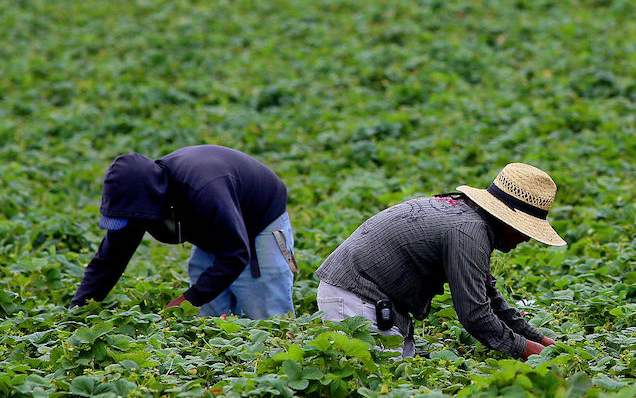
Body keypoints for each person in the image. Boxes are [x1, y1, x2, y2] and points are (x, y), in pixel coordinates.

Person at [315, 163, 566, 359]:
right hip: (354, 298)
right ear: (508, 221)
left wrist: (540, 340)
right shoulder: (468, 232)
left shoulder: (468, 218)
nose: (526, 239)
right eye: (526, 230)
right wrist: (527, 350)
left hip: (373, 300)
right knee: (381, 384)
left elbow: (488, 295)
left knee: (402, 380)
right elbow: (475, 315)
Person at [71, 145, 297, 319]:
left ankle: (276, 353)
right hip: (216, 221)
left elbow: (236, 253)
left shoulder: (204, 190)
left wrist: (187, 300)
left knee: (263, 303)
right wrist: (76, 311)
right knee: (209, 308)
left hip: (259, 219)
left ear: (149, 202)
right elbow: (110, 259)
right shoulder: (136, 200)